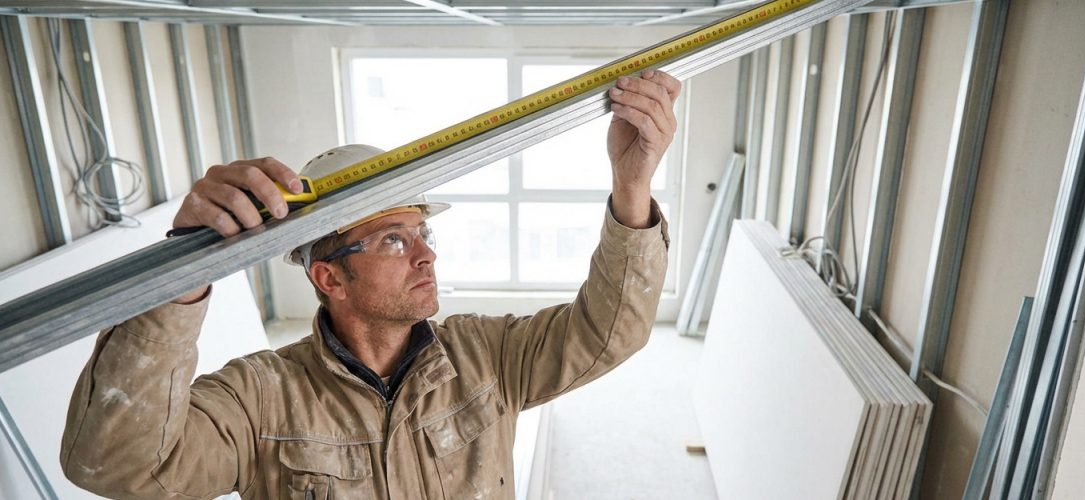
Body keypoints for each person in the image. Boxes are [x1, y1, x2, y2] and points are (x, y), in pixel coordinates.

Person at [61, 69, 681, 499]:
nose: (425, 256)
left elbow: (610, 334)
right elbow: (119, 465)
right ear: (329, 276)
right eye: (393, 239)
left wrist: (632, 188)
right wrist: (181, 274)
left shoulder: (485, 358)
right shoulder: (261, 399)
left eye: (422, 235)